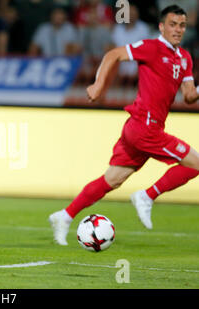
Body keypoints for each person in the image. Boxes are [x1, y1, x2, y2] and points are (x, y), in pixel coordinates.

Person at [48, 5, 199, 245]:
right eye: (172, 24)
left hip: (145, 129)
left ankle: (65, 216)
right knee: (196, 163)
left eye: (182, 25)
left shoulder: (184, 58)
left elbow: (189, 96)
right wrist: (98, 85)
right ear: (161, 26)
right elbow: (113, 54)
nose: (178, 30)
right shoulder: (151, 47)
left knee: (112, 179)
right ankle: (147, 196)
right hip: (143, 127)